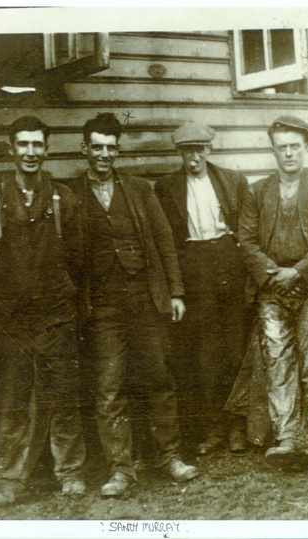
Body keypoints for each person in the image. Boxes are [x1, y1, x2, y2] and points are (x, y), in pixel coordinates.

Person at [72, 113, 198, 498]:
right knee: (109, 388)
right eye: (97, 147)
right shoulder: (70, 194)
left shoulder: (141, 189)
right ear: (85, 149)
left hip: (145, 299)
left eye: (111, 148)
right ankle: (121, 470)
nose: (104, 155)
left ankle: (170, 457)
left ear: (118, 151)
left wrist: (175, 292)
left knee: (159, 378)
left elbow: (164, 242)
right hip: (102, 307)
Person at [0, 116, 87, 507]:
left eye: (37, 145)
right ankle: (9, 480)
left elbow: (78, 259)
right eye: (23, 144)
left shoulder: (63, 199)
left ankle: (70, 473)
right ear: (11, 149)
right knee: (13, 401)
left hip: (56, 316)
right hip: (10, 322)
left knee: (63, 396)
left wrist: (65, 298)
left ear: (47, 149)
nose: (30, 152)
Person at [238, 115, 308, 469]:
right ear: (273, 150)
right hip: (272, 290)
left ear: (306, 147)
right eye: (282, 147)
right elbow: (246, 240)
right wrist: (272, 273)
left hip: (307, 288)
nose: (288, 153)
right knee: (278, 362)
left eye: (295, 146)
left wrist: (301, 271)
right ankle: (288, 437)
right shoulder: (257, 191)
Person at [155, 121, 249, 454]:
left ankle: (240, 426)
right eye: (186, 151)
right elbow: (166, 241)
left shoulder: (233, 181)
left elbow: (246, 232)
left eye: (199, 149)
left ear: (209, 149)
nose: (193, 157)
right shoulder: (166, 188)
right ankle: (214, 429)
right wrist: (177, 287)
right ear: (178, 152)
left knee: (236, 349)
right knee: (206, 354)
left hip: (229, 264)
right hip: (194, 268)